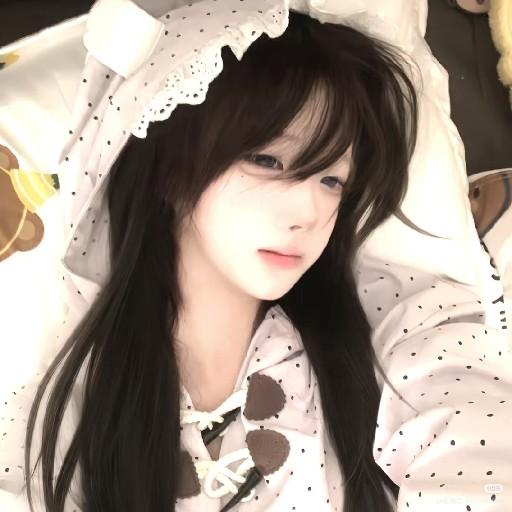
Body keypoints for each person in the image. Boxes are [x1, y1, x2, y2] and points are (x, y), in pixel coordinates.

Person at [1, 3, 511, 512]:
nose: (310, 211)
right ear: (170, 169)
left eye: (332, 180)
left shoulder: (392, 331)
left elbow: (472, 436)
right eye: (268, 160)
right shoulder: (63, 414)